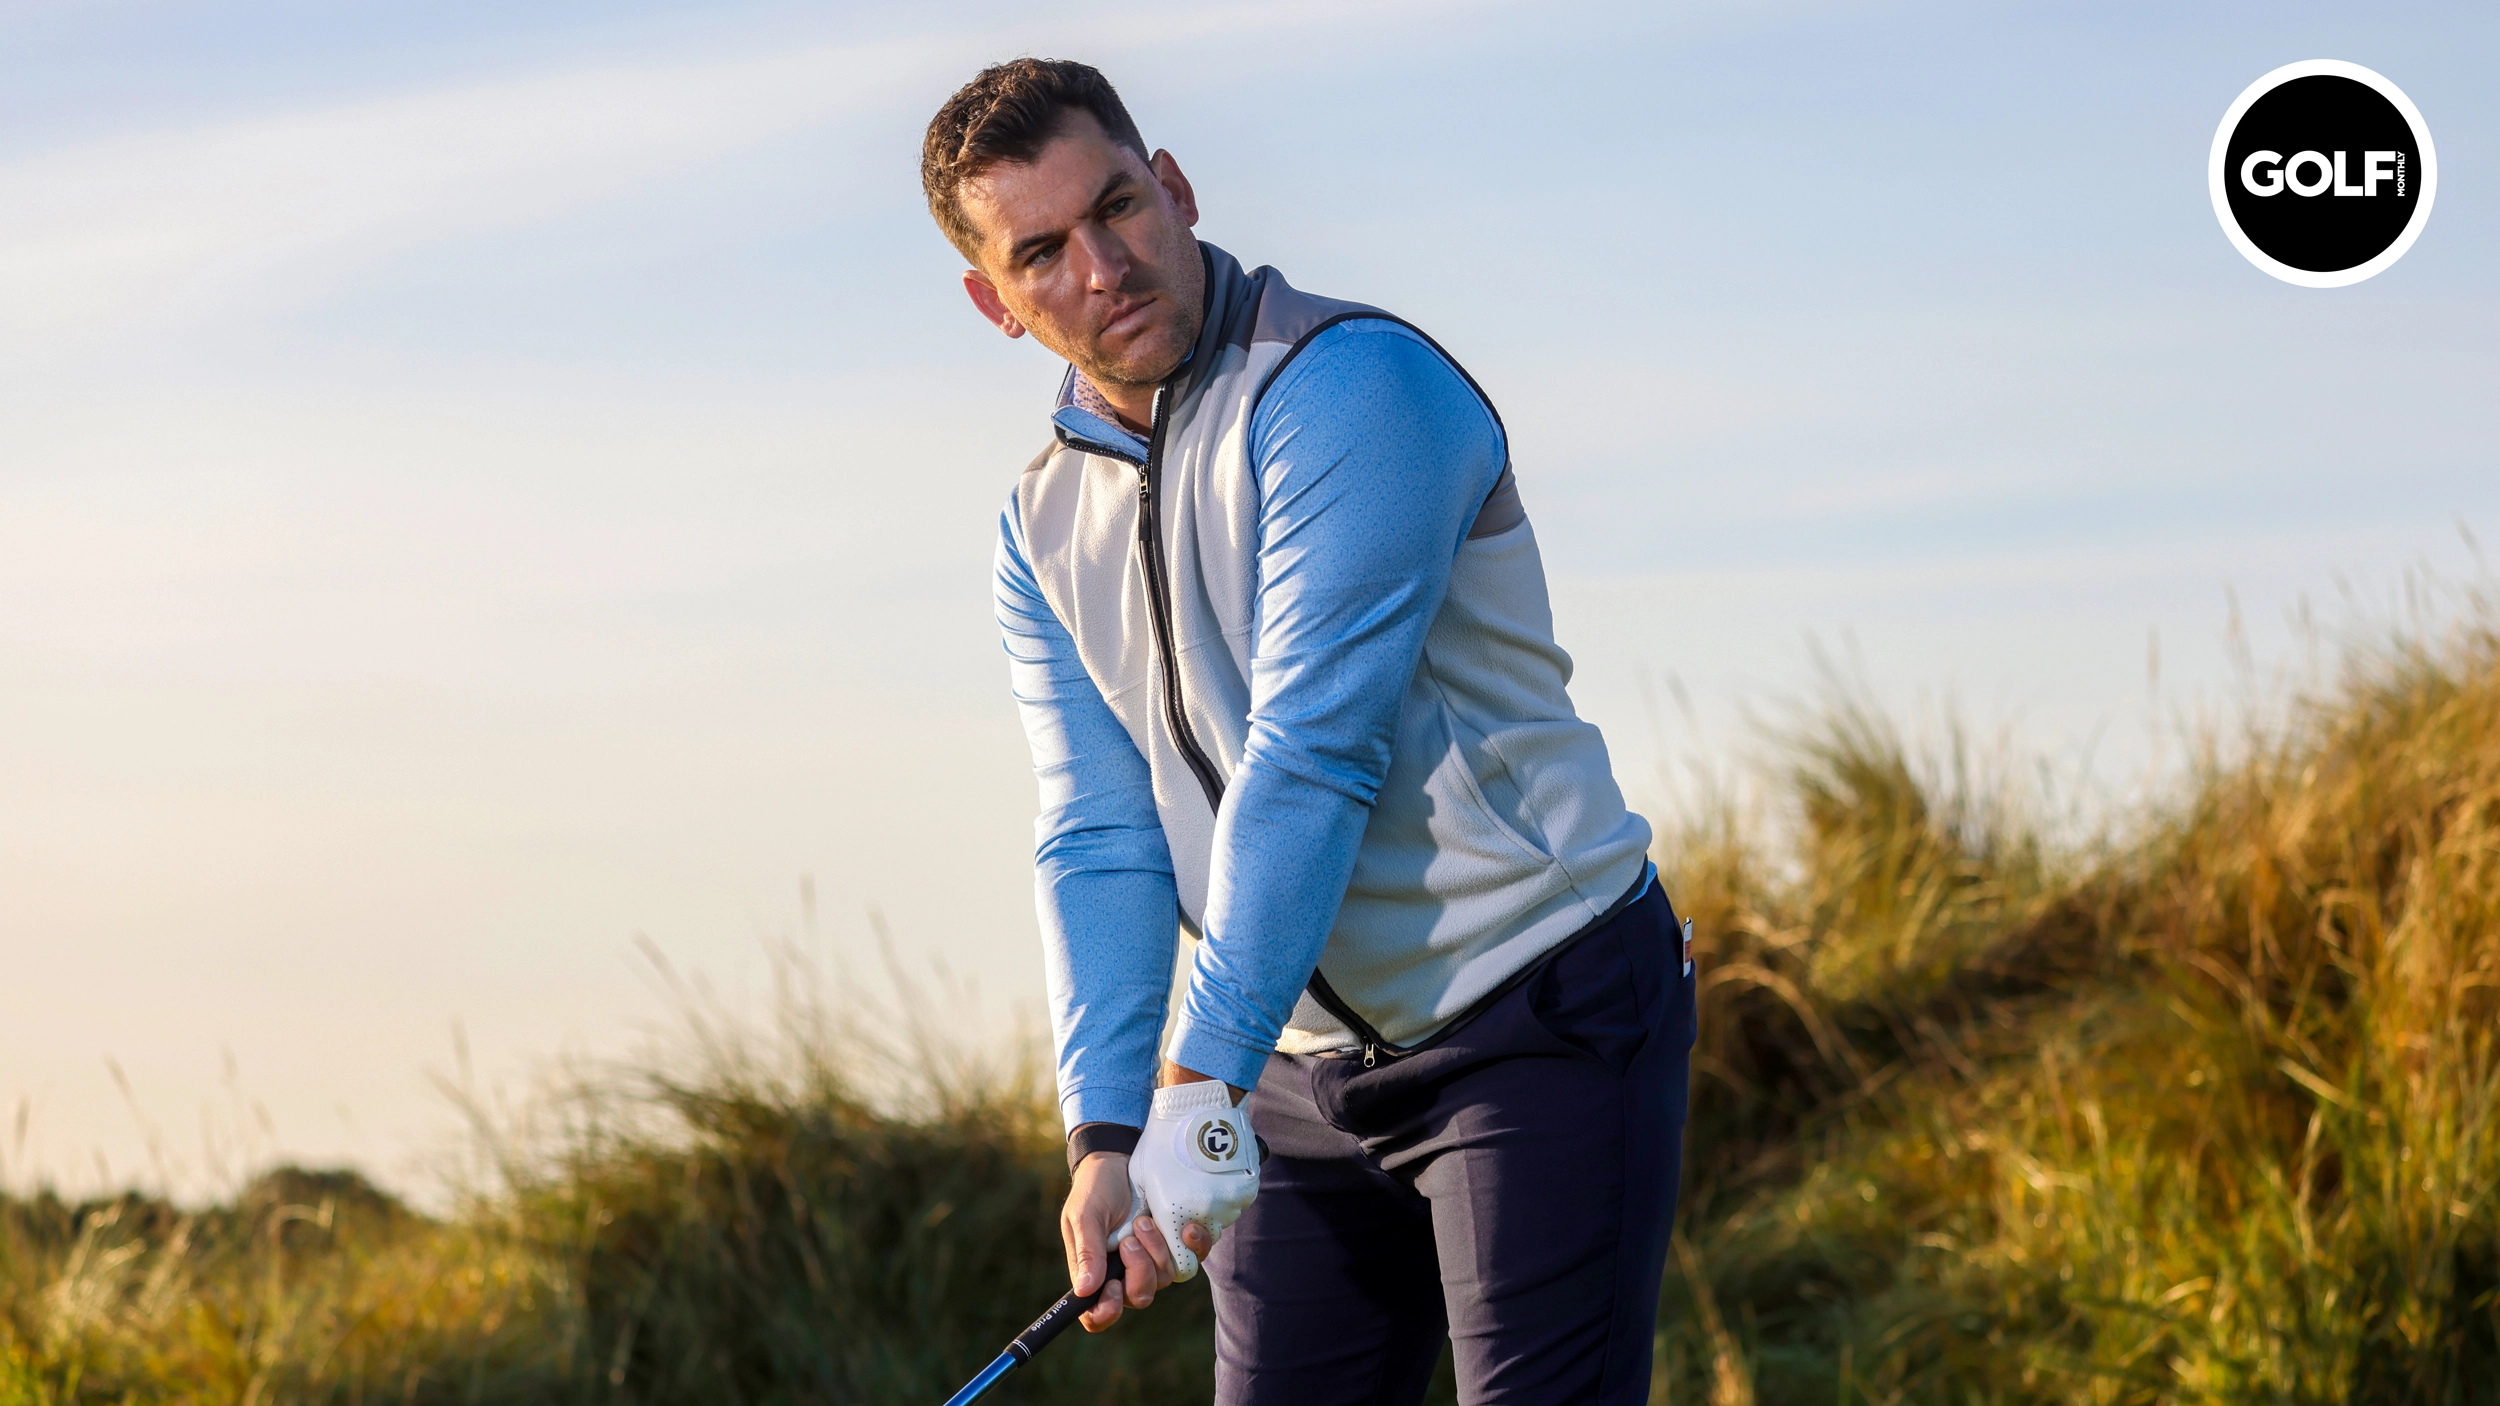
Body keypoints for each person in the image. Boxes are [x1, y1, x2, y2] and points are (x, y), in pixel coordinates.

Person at [919, 58, 1696, 1405]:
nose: (1102, 266)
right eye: (1041, 252)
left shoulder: (1351, 388)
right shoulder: (1040, 522)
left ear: (1174, 187)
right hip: (1293, 1079)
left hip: (1533, 1012)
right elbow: (1099, 831)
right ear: (996, 302)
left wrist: (1196, 1085)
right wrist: (1108, 1132)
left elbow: (1313, 759)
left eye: (1117, 206)